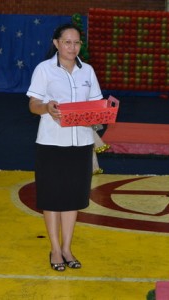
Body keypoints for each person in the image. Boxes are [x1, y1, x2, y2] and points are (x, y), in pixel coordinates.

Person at [27, 23, 103, 271]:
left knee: (72, 198)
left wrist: (102, 113)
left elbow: (96, 105)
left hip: (81, 143)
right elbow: (33, 105)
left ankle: (68, 248)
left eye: (77, 42)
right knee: (52, 197)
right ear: (57, 43)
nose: (73, 47)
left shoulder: (88, 71)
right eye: (67, 42)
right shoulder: (44, 69)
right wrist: (47, 107)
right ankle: (55, 249)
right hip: (51, 143)